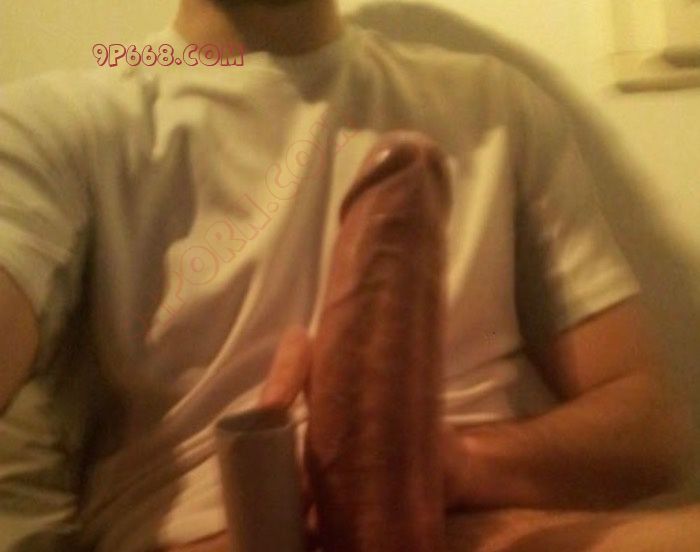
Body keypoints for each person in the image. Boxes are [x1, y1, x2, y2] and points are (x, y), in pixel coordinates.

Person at [0, 0, 693, 550]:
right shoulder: (52, 126)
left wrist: (447, 466)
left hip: (495, 528)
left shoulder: (495, 103)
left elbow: (648, 434)